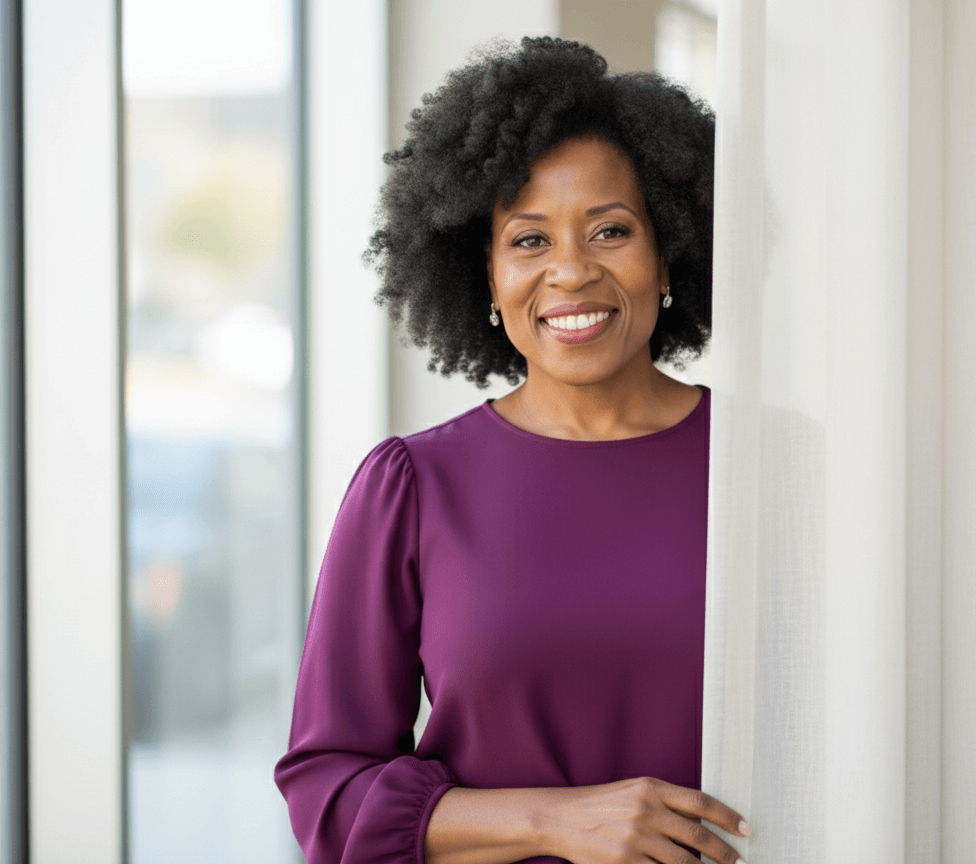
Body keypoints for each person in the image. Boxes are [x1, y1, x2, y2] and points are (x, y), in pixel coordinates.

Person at [275, 37, 750, 864]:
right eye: (529, 241)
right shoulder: (414, 487)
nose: (569, 272)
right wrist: (556, 821)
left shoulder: (769, 471)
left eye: (610, 230)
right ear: (485, 278)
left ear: (667, 255)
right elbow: (328, 789)